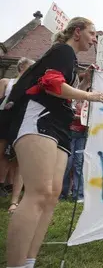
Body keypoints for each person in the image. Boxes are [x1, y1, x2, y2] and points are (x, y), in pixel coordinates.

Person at [5, 17, 103, 268]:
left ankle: (29, 261)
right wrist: (90, 95)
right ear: (77, 31)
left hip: (60, 126)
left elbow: (67, 87)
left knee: (51, 195)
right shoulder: (62, 51)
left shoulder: (70, 59)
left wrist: (84, 80)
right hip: (41, 118)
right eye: (92, 33)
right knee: (38, 193)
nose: (95, 39)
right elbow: (52, 86)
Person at [0, 57, 35, 213]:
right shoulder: (7, 81)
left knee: (19, 159)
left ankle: (14, 197)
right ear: (21, 67)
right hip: (5, 121)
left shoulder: (32, 86)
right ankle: (2, 184)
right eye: (30, 68)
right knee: (3, 155)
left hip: (23, 123)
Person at [60, 97, 88, 202]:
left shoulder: (89, 102)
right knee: (67, 163)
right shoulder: (71, 98)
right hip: (69, 134)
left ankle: (79, 195)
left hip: (82, 135)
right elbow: (67, 114)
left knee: (78, 164)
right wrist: (79, 117)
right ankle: (62, 193)